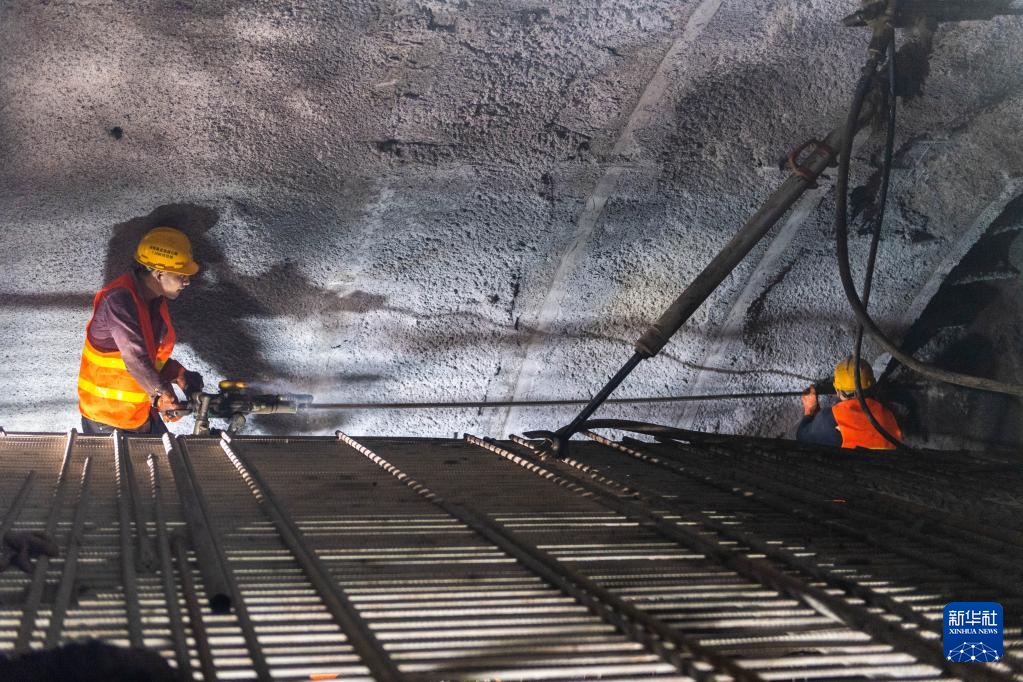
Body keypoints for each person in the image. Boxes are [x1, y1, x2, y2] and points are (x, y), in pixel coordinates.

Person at [77, 227, 204, 436]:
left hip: (138, 415)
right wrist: (163, 393)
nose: (187, 281)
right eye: (181, 275)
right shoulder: (119, 301)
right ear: (159, 273)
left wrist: (178, 374)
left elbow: (147, 358)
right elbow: (135, 359)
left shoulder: (153, 301)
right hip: (107, 420)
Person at [796, 356, 902, 449]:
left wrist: (810, 410)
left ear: (837, 390)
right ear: (873, 384)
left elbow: (802, 437)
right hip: (891, 462)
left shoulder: (830, 418)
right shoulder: (889, 411)